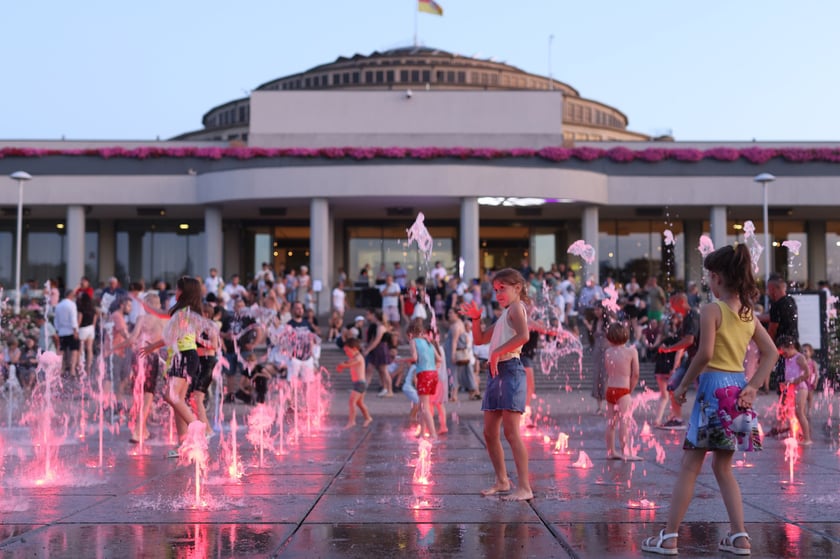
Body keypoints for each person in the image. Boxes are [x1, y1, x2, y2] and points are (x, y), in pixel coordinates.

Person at [642, 244, 777, 556]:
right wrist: (754, 386)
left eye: (708, 277)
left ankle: (670, 536)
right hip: (738, 389)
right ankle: (740, 536)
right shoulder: (747, 313)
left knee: (690, 466)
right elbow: (770, 352)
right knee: (724, 468)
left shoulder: (711, 310)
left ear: (716, 278)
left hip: (713, 387)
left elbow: (703, 355)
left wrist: (682, 386)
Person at [460, 267, 533, 502]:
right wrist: (475, 319)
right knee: (490, 433)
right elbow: (481, 338)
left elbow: (523, 336)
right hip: (496, 373)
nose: (498, 293)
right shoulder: (504, 315)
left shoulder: (516, 308)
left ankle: (524, 487)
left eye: (503, 289)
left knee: (511, 433)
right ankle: (502, 481)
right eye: (495, 290)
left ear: (517, 288)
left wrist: (496, 353)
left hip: (510, 371)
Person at [140, 276, 210, 456]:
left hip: (185, 356)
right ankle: (183, 444)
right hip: (184, 356)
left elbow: (171, 337)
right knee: (178, 400)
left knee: (171, 396)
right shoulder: (187, 311)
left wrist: (151, 346)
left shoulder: (184, 312)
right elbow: (164, 315)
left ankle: (197, 428)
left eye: (178, 289)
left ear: (184, 292)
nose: (175, 293)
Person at [657, 292, 701, 429]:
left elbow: (689, 340)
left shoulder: (693, 316)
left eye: (674, 305)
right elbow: (685, 341)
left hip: (698, 360)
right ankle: (677, 418)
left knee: (703, 391)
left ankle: (706, 422)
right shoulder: (687, 317)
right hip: (692, 359)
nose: (673, 309)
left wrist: (669, 349)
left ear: (681, 303)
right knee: (672, 385)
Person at [603, 322, 641, 461]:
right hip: (623, 390)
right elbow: (635, 374)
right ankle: (626, 452)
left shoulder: (608, 352)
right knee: (624, 422)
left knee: (611, 424)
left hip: (610, 389)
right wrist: (630, 390)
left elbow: (608, 372)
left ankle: (611, 451)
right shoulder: (631, 351)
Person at [406, 318, 442, 440]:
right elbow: (440, 359)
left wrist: (405, 360)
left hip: (424, 374)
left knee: (425, 406)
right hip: (433, 374)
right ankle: (422, 433)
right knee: (423, 405)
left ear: (410, 333)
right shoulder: (429, 343)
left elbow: (415, 358)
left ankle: (433, 434)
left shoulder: (413, 341)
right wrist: (433, 368)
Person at [778, 336, 812, 445]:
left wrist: (796, 381)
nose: (783, 355)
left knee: (799, 412)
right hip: (793, 388)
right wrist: (786, 383)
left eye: (784, 352)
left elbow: (807, 373)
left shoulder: (799, 357)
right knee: (792, 413)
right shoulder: (788, 359)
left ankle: (807, 439)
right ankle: (798, 435)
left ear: (791, 347)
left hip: (801, 388)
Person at [336, 337, 373, 428]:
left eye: (347, 351)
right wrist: (341, 365)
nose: (346, 353)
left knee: (352, 402)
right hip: (360, 383)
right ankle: (368, 418)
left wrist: (343, 366)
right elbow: (347, 362)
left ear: (354, 349)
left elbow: (350, 364)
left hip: (360, 384)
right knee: (359, 403)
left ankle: (352, 421)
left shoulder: (359, 357)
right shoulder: (354, 357)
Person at [53, 289, 80, 377]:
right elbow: (73, 318)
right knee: (74, 350)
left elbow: (56, 319)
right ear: (70, 295)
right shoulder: (72, 305)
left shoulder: (58, 305)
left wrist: (57, 330)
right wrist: (75, 330)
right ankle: (72, 369)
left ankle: (61, 368)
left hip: (61, 332)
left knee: (62, 351)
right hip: (70, 331)